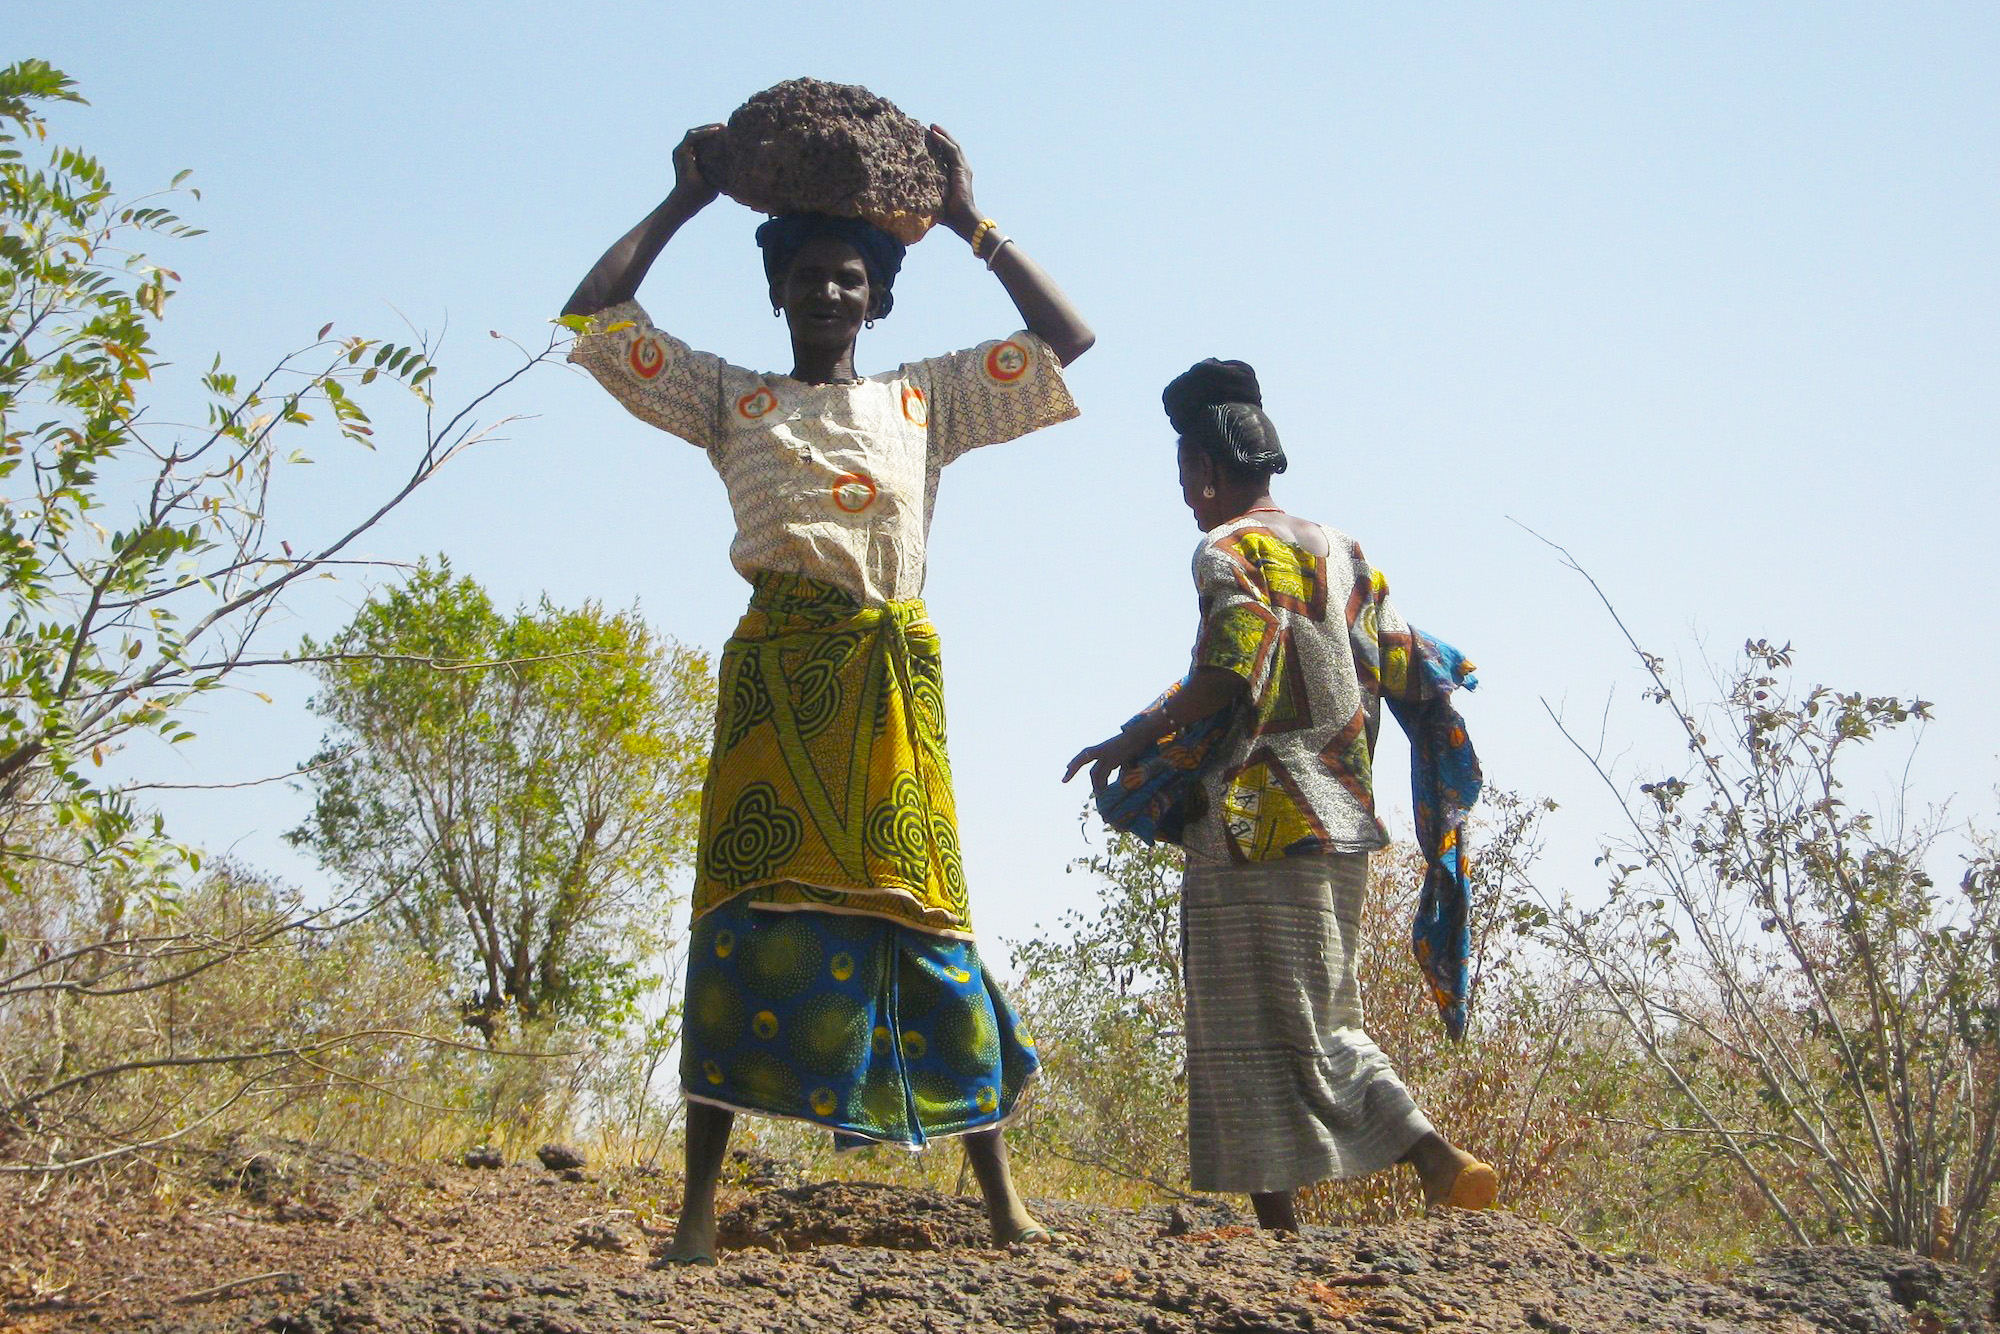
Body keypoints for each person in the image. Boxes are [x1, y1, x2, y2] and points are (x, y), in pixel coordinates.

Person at [563, 123, 1093, 1263]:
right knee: (740, 916)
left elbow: (1066, 335)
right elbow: (594, 321)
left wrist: (967, 220)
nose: (827, 292)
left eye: (848, 277)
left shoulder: (926, 404)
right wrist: (683, 204)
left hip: (889, 690)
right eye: (805, 276)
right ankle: (697, 1214)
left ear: (876, 299)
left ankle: (1001, 1201)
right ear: (778, 292)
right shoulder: (729, 400)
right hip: (774, 682)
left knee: (929, 919)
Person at [1063, 358, 1496, 1231]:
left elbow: (1233, 660)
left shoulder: (1225, 548)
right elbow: (1407, 657)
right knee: (1319, 1012)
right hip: (1341, 816)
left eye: (1186, 478)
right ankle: (1295, 1222)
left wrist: (1133, 737)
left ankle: (1417, 1160)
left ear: (1205, 470)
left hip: (1253, 823)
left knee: (1241, 1021)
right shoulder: (1345, 549)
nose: (1187, 497)